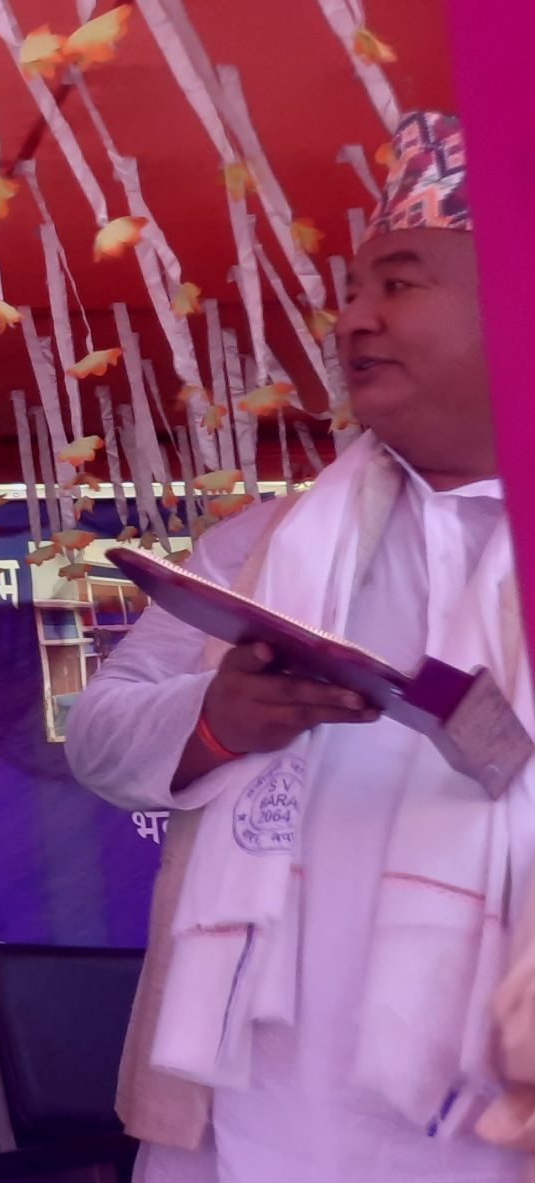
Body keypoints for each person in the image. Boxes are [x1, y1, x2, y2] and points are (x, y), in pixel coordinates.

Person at [66, 111, 523, 1181]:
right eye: (352, 291)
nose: (354, 318)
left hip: (495, 1117)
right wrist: (217, 721)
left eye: (398, 284)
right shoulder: (262, 548)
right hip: (249, 1111)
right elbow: (100, 735)